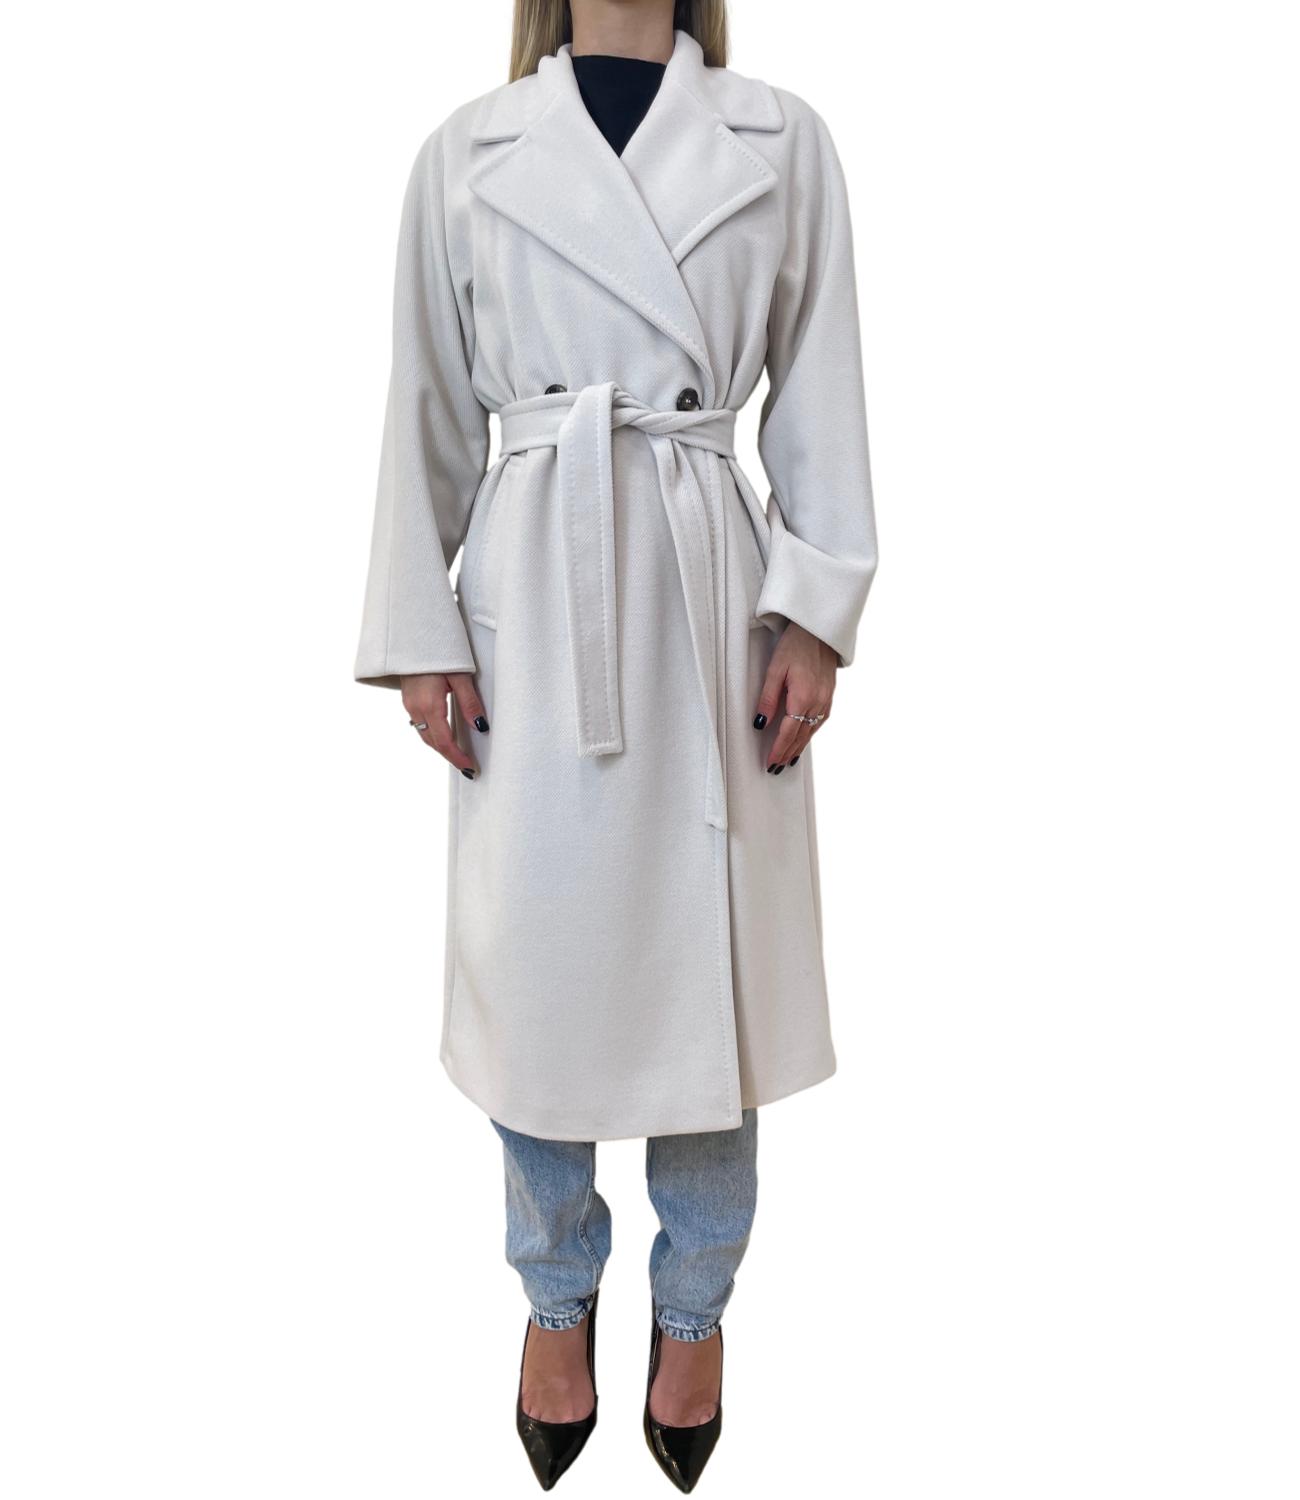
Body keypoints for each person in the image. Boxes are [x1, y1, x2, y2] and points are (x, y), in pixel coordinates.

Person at [354, 0, 878, 1488]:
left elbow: (823, 395)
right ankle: (555, 1297)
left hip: (710, 606)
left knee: (713, 988)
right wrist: (420, 625)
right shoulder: (465, 152)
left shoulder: (784, 141)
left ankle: (696, 1306)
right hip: (537, 591)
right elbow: (424, 404)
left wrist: (814, 613)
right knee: (541, 983)